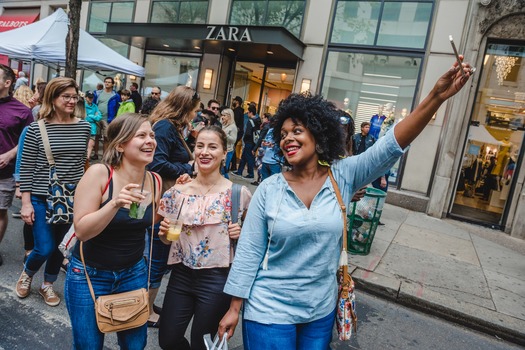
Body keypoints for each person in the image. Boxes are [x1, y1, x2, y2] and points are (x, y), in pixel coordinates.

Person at [218, 60, 474, 349]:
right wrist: (234, 307)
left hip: (319, 313)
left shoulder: (343, 175)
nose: (288, 138)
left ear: (318, 133)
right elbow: (250, 251)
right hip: (268, 311)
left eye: (297, 131)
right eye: (283, 134)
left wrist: (436, 97)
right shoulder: (269, 188)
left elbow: (391, 145)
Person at [65, 113, 161, 349]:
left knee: (135, 345)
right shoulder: (100, 174)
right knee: (89, 345)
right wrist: (114, 203)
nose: (150, 140)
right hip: (89, 275)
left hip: (134, 273)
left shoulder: (155, 180)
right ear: (120, 144)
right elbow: (83, 231)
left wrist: (167, 218)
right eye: (141, 135)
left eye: (152, 135)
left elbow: (146, 221)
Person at [157, 125, 252, 350]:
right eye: (200, 146)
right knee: (167, 339)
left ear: (224, 153)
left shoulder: (238, 194)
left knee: (204, 343)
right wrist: (163, 235)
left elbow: (252, 244)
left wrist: (241, 234)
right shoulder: (177, 193)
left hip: (216, 279)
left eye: (212, 147)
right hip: (180, 275)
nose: (204, 152)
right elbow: (166, 240)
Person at [17, 77, 90, 306]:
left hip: (73, 198)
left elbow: (81, 164)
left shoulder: (84, 127)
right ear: (52, 97)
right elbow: (26, 167)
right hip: (41, 196)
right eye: (65, 96)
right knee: (45, 246)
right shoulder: (35, 129)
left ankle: (47, 285)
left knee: (62, 247)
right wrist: (26, 203)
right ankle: (28, 273)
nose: (71, 101)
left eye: (74, 96)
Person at [146, 85, 200, 328]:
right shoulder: (166, 126)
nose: (195, 115)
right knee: (157, 256)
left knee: (160, 254)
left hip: (167, 200)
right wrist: (189, 169)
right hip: (162, 201)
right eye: (194, 110)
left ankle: (147, 303)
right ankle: (145, 310)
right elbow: (157, 164)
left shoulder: (170, 127)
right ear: (184, 107)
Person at [0, 64, 34, 266]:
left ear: (7, 82)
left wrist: (9, 154)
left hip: (4, 171)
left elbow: (28, 141)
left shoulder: (22, 111)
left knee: (0, 211)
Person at [233, 105, 260, 179]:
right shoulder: (258, 120)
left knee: (249, 158)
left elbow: (248, 133)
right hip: (253, 141)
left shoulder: (250, 121)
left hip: (249, 141)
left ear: (251, 112)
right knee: (244, 157)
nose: (247, 114)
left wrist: (245, 139)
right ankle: (239, 171)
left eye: (248, 112)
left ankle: (250, 174)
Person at [84, 92, 102, 160]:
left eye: (92, 97)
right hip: (84, 127)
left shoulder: (95, 106)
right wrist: (94, 116)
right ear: (86, 97)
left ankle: (87, 159)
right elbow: (83, 117)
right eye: (89, 97)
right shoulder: (82, 105)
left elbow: (99, 117)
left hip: (93, 128)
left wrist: (89, 115)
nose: (91, 99)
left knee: (91, 145)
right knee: (83, 145)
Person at [220, 108, 237, 179]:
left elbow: (233, 140)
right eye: (222, 115)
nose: (222, 117)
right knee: (223, 169)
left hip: (228, 150)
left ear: (229, 116)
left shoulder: (233, 127)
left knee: (223, 169)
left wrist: (226, 135)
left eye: (224, 115)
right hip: (222, 149)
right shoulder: (224, 124)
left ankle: (226, 183)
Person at [230, 96, 244, 172]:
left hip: (236, 133)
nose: (233, 102)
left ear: (237, 102)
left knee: (231, 147)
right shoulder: (240, 111)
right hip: (238, 133)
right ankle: (233, 166)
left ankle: (233, 165)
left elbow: (235, 122)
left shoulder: (237, 111)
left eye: (234, 100)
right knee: (233, 147)